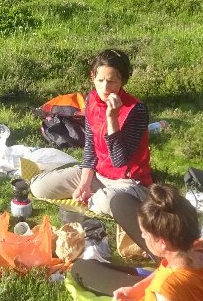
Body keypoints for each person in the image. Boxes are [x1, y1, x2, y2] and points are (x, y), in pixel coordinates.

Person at [30, 48, 154, 256]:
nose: (105, 87)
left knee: (103, 203)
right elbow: (90, 145)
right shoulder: (91, 100)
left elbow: (119, 160)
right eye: (101, 80)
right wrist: (85, 181)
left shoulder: (136, 110)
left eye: (112, 81)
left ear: (122, 81)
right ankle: (95, 194)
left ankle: (106, 200)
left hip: (130, 182)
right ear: (92, 77)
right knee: (39, 187)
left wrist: (112, 118)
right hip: (98, 175)